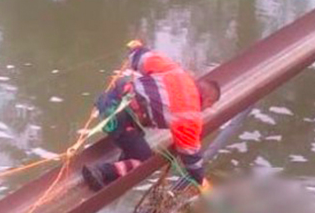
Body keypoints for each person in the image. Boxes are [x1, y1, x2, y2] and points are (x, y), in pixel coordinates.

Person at [81, 41, 220, 191]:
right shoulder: (190, 116)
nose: (205, 110)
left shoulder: (176, 72)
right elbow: (190, 155)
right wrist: (200, 180)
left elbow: (144, 58)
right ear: (207, 99)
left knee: (136, 137)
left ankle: (122, 160)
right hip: (119, 118)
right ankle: (101, 172)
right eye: (208, 106)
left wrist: (137, 49)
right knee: (144, 159)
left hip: (109, 101)